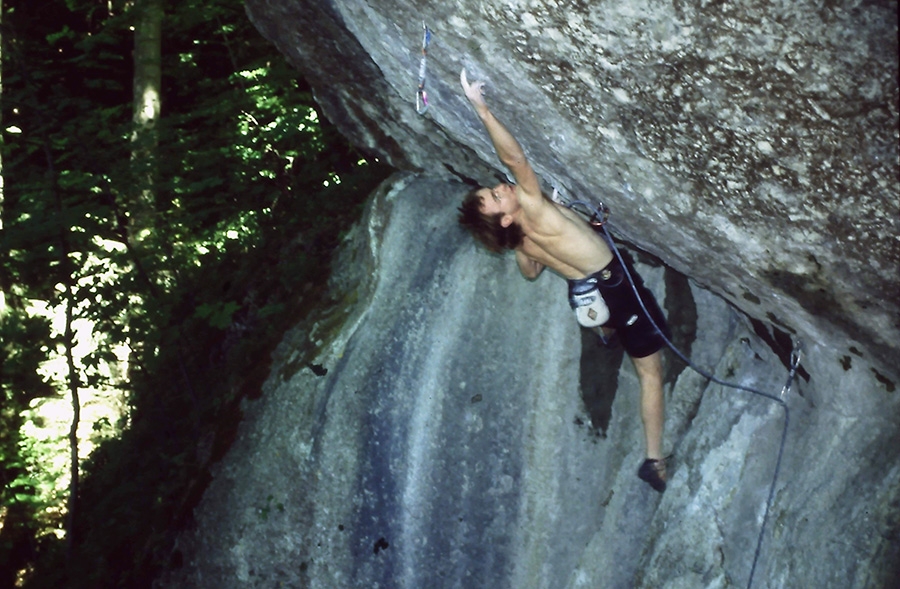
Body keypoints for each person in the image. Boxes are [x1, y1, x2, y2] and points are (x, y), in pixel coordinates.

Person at [457, 69, 670, 493]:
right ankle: (654, 460)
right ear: (505, 217)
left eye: (494, 189)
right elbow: (516, 161)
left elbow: (532, 270)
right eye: (497, 196)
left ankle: (607, 332)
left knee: (595, 303)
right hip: (615, 287)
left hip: (588, 293)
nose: (501, 187)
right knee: (650, 373)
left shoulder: (520, 241)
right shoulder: (531, 208)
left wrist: (563, 220)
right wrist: (481, 109)